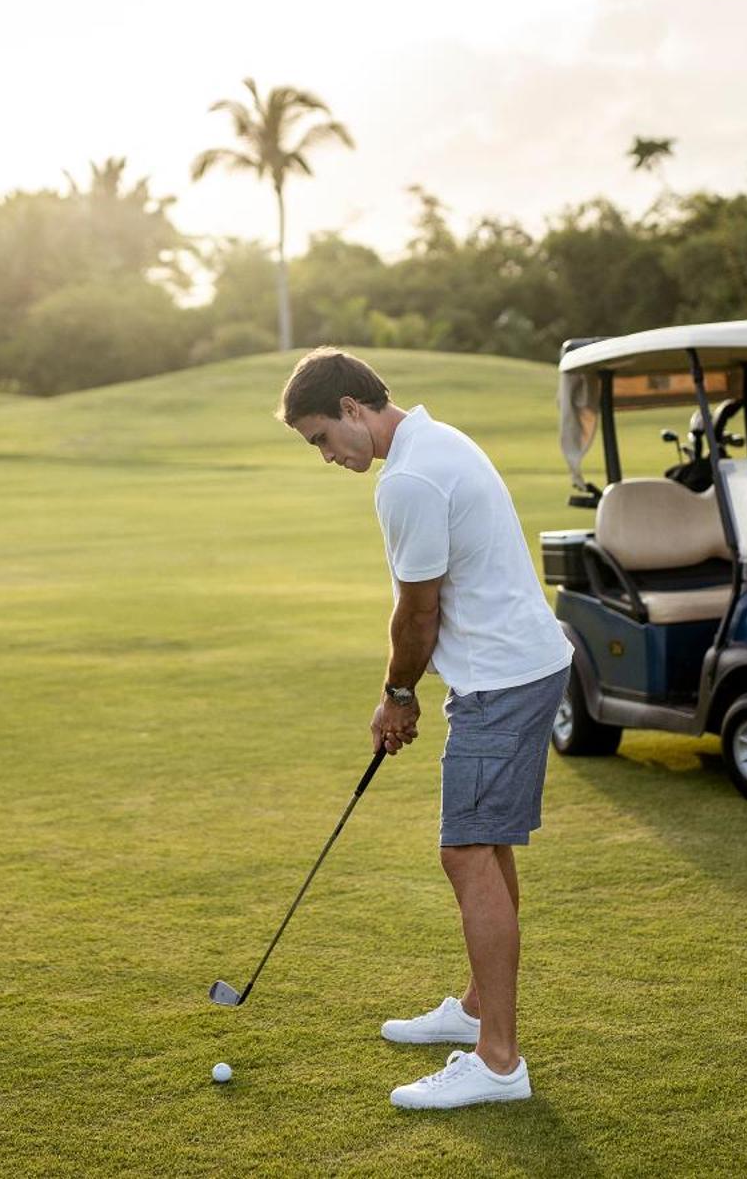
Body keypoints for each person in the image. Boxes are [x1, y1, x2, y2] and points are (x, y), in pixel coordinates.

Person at [278, 348, 571, 1110]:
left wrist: (397, 694)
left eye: (320, 438)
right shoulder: (434, 440)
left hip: (501, 676)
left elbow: (417, 611)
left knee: (465, 849)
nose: (327, 457)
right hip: (516, 666)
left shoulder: (407, 476)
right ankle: (478, 1007)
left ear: (351, 408)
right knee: (487, 841)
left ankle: (498, 1061)